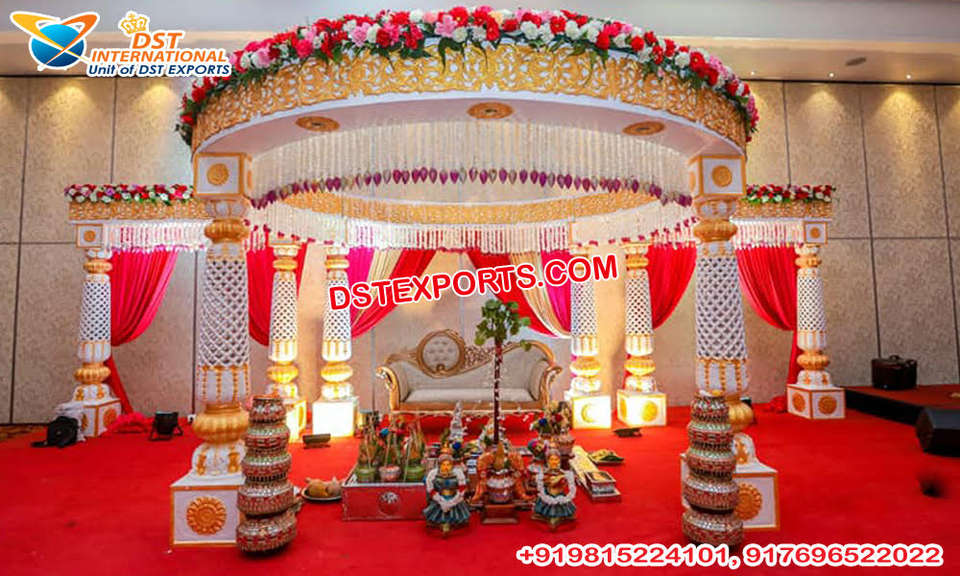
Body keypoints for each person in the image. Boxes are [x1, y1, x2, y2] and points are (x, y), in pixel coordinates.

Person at [423, 452, 470, 534]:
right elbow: (430, 488)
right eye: (443, 465)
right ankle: (441, 523)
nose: (446, 467)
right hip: (439, 499)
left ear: (452, 465)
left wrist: (454, 501)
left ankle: (453, 523)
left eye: (448, 465)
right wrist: (440, 500)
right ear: (439, 465)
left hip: (454, 498)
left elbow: (462, 488)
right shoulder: (433, 474)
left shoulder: (458, 474)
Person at [533, 448, 576, 529]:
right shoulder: (543, 474)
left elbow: (568, 486)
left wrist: (562, 477)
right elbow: (545, 484)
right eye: (551, 459)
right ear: (548, 461)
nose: (554, 462)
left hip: (559, 496)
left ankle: (559, 516)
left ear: (559, 460)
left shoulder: (564, 474)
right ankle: (546, 515)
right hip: (548, 495)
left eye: (556, 459)